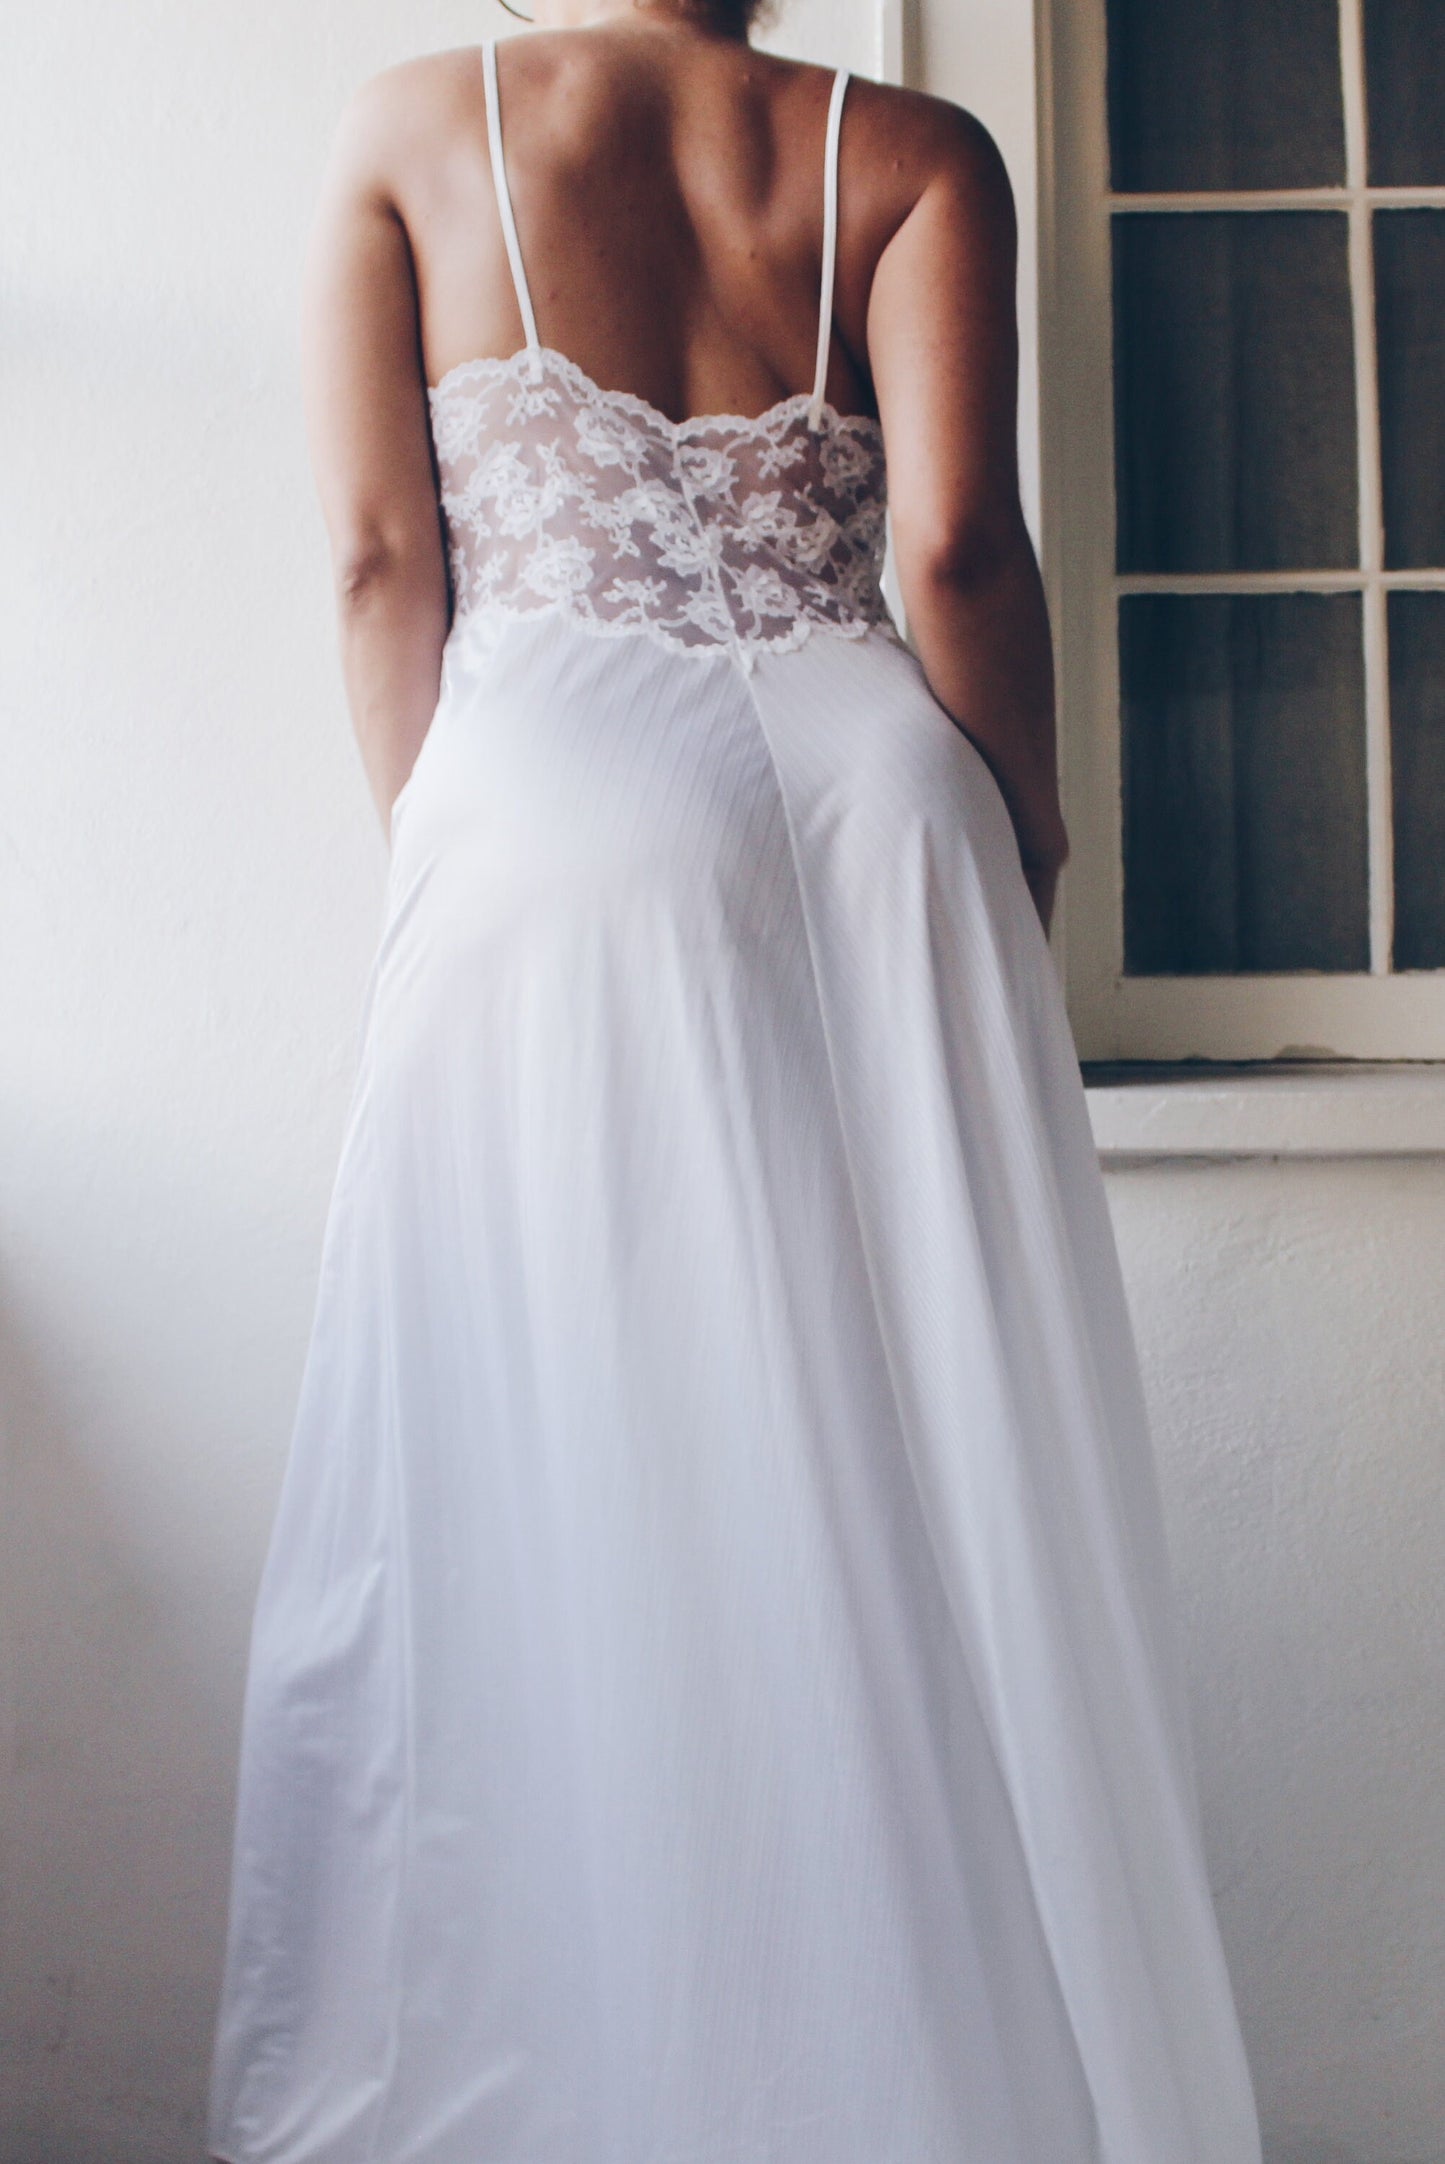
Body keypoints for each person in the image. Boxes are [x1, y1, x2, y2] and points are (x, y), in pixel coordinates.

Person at [207, 4, 1264, 2161]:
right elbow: (961, 550)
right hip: (884, 798)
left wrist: (459, 834)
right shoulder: (915, 148)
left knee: (575, 1445)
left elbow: (375, 558)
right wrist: (1025, 838)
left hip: (554, 800)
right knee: (923, 1450)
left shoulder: (418, 129)